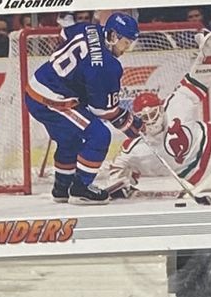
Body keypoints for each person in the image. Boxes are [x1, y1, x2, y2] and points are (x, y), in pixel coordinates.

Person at [100, 30, 211, 200]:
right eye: (144, 117)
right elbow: (117, 166)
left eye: (153, 113)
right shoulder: (135, 147)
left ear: (161, 108)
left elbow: (197, 81)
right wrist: (119, 182)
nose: (150, 120)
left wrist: (208, 55)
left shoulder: (176, 103)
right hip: (206, 165)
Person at [23, 12, 141, 203]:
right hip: (54, 100)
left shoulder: (89, 28)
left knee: (70, 140)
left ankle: (62, 188)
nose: (127, 48)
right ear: (113, 36)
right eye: (126, 42)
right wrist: (129, 122)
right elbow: (102, 111)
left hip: (35, 90)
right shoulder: (107, 66)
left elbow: (64, 34)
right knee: (99, 135)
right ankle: (80, 189)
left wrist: (73, 74)